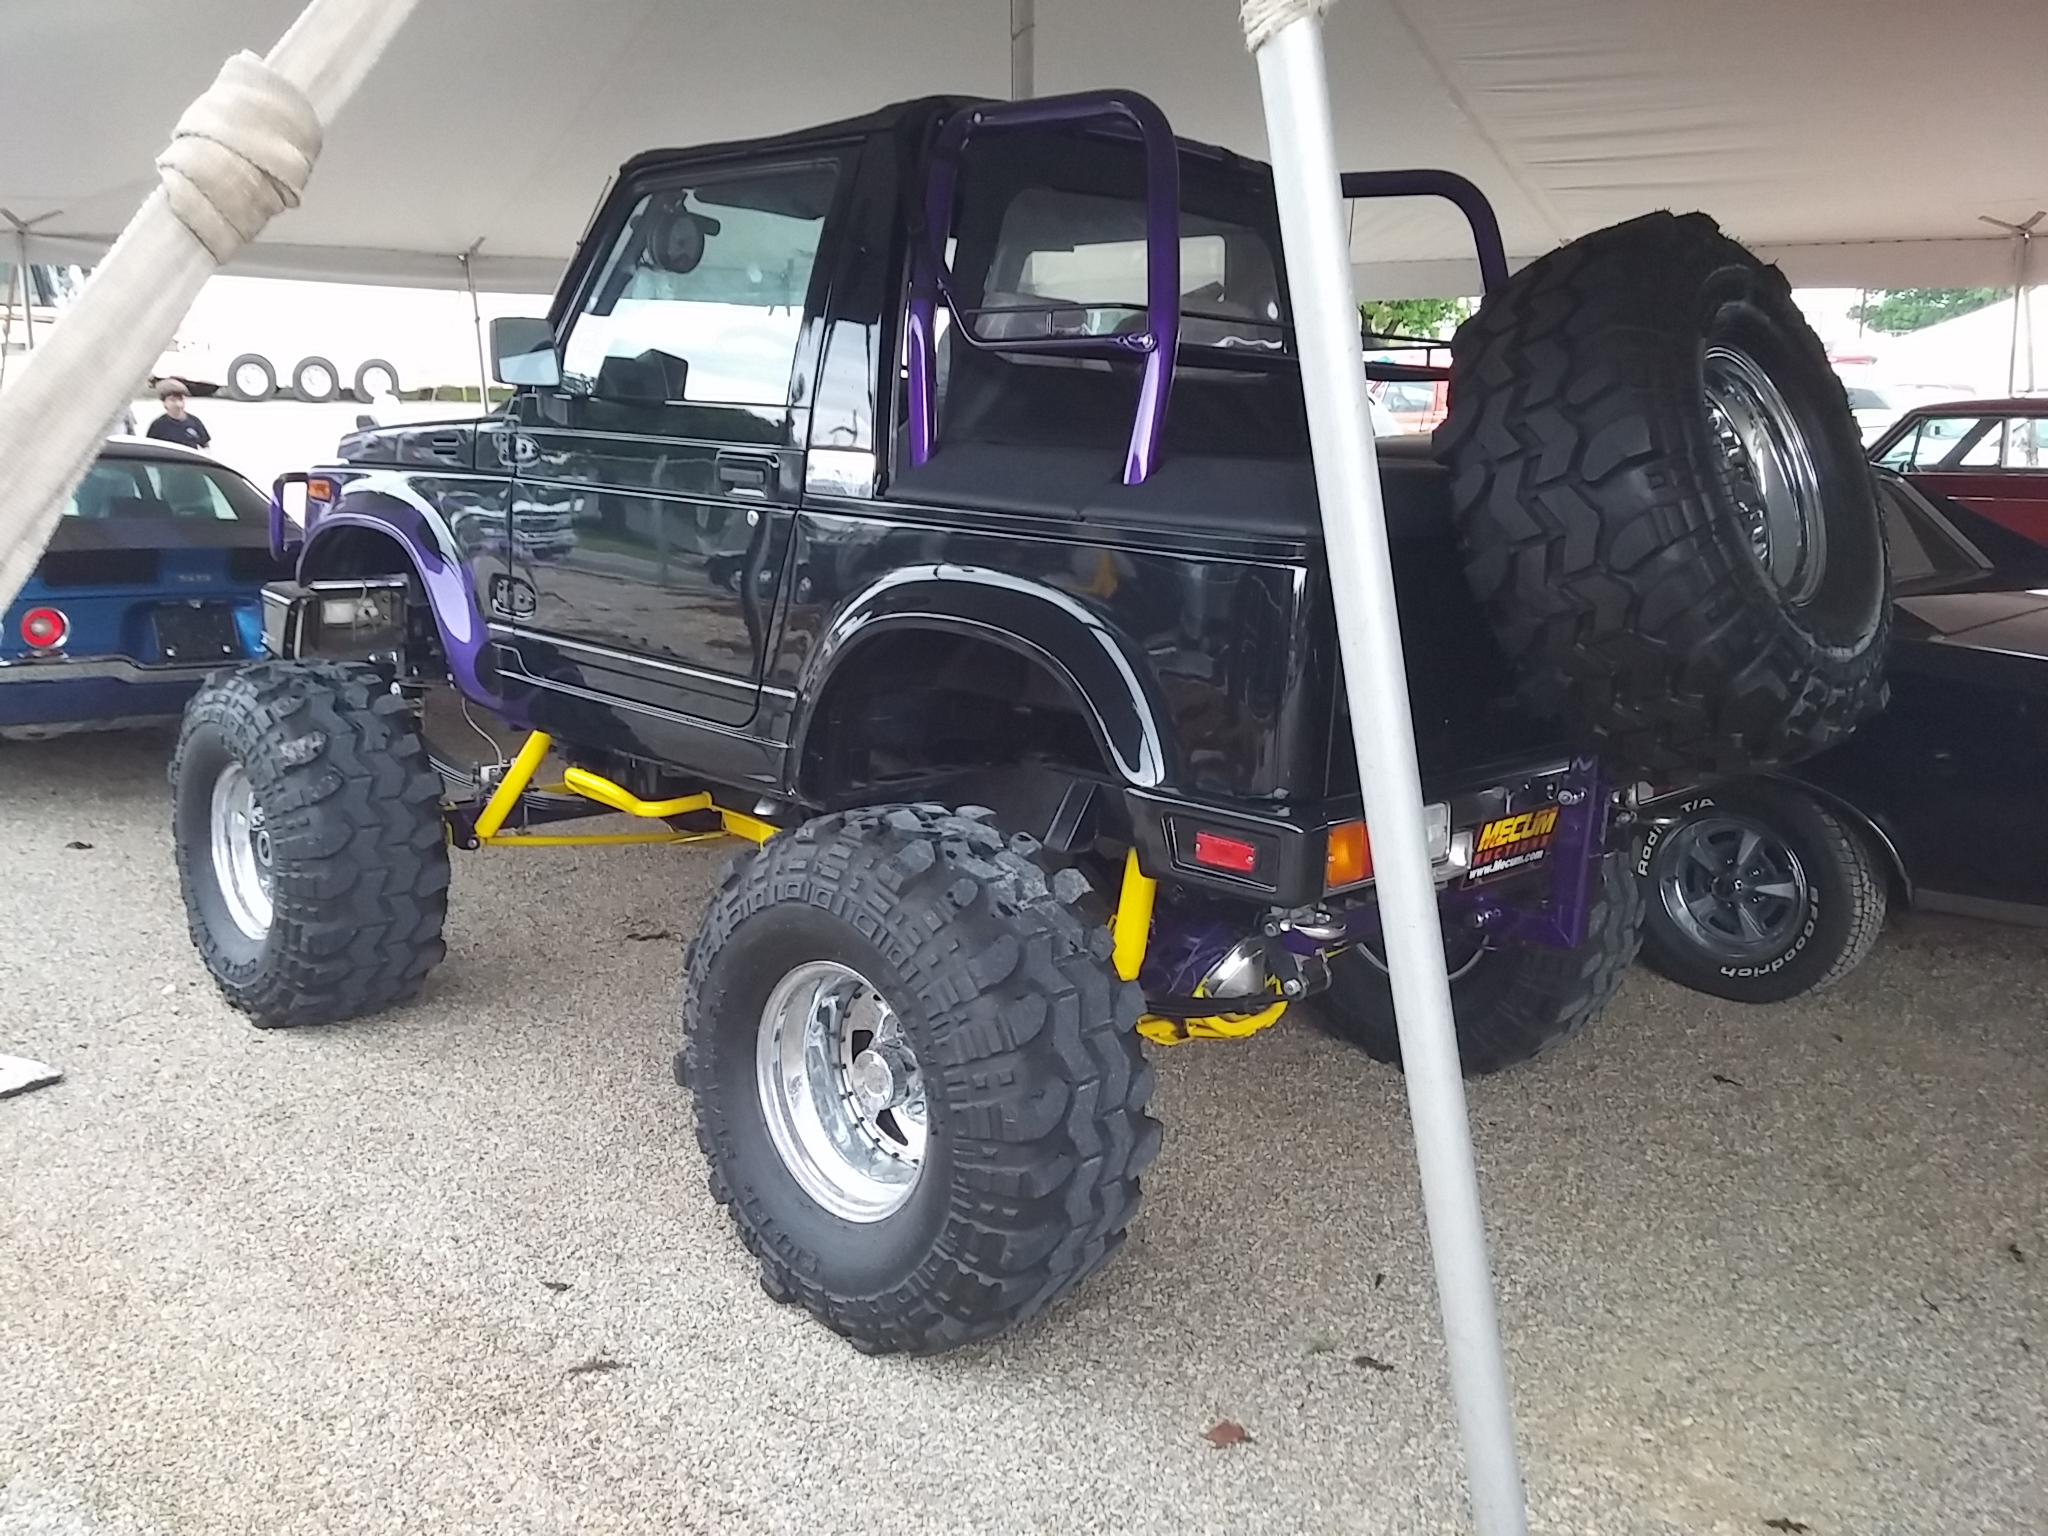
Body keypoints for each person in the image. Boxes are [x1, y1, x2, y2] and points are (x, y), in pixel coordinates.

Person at [145, 378, 210, 450]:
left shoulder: (195, 422)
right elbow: (150, 448)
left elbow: (206, 447)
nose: (178, 404)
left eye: (180, 399)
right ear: (164, 403)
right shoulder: (157, 425)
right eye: (173, 400)